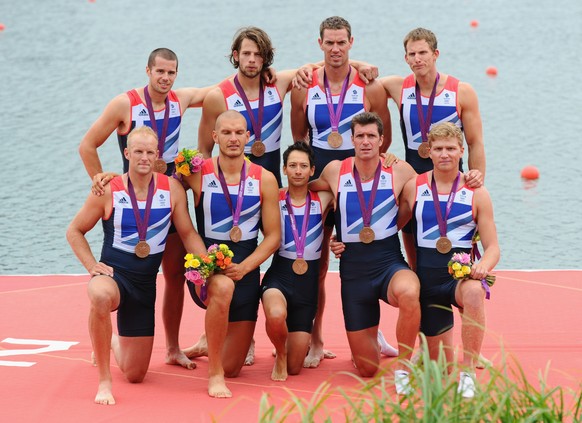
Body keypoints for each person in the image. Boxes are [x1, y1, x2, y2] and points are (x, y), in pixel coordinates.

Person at [78, 48, 214, 369]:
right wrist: (99, 180)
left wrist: (277, 73)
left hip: (169, 199)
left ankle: (173, 348)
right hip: (138, 199)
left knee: (175, 275)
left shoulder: (180, 99)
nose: (165, 78)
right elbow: (87, 145)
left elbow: (223, 88)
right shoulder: (125, 104)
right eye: (160, 72)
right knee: (130, 272)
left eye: (171, 73)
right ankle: (107, 335)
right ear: (148, 71)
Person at [66, 126, 208, 405]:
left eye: (149, 152)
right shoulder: (108, 189)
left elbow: (188, 234)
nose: (144, 157)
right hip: (114, 276)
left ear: (157, 156)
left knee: (135, 374)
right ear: (127, 153)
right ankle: (105, 381)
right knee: (100, 295)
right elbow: (74, 231)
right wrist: (92, 265)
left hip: (144, 287)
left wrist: (208, 266)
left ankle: (110, 340)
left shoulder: (172, 189)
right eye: (138, 152)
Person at [290, 16, 392, 368]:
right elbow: (299, 137)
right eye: (329, 43)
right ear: (319, 44)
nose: (335, 49)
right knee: (316, 266)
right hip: (321, 185)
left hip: (360, 187)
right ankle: (316, 339)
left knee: (369, 254)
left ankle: (372, 332)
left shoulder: (370, 87)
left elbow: (384, 137)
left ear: (352, 43)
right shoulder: (304, 85)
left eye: (341, 42)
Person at [311, 112, 420, 395]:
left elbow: (427, 196)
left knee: (409, 291)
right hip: (354, 273)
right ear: (352, 139)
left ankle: (404, 368)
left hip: (387, 262)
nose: (366, 141)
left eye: (372, 136)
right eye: (360, 136)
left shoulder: (400, 170)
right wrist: (335, 237)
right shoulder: (335, 170)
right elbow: (308, 194)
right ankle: (377, 339)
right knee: (367, 368)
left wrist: (390, 226)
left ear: (382, 140)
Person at [198, 26, 379, 188]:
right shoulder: (218, 97)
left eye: (258, 54)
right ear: (236, 55)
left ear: (266, 57)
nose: (252, 60)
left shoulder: (280, 84)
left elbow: (331, 62)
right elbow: (204, 150)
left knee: (276, 227)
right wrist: (212, 185)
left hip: (272, 183)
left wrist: (359, 64)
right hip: (231, 182)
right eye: (246, 54)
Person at [181, 110, 281, 397]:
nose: (234, 138)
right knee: (222, 287)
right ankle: (214, 376)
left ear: (248, 136)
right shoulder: (198, 172)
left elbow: (273, 236)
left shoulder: (265, 179)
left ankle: (207, 344)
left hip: (245, 270)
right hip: (208, 269)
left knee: (234, 366)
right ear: (215, 137)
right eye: (226, 133)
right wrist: (111, 176)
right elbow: (153, 181)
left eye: (239, 133)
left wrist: (246, 267)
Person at [397, 122, 500, 398]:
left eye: (451, 149)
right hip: (427, 283)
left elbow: (493, 248)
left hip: (459, 278)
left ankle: (468, 374)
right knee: (439, 368)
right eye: (439, 148)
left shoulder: (477, 192)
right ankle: (427, 352)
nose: (445, 154)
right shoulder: (413, 187)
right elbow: (391, 226)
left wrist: (483, 266)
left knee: (476, 293)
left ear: (461, 151)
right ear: (428, 152)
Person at [379, 27, 485, 270]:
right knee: (417, 262)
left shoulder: (461, 91)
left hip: (452, 179)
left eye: (423, 53)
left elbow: (475, 142)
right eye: (412, 54)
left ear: (435, 54)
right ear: (405, 58)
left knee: (459, 262)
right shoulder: (397, 87)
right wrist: (361, 64)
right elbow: (355, 77)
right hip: (412, 182)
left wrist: (477, 177)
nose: (417, 59)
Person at [261, 143, 334, 381]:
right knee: (274, 313)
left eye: (304, 166)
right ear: (284, 169)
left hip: (307, 288)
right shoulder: (273, 198)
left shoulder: (323, 198)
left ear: (313, 170)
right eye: (292, 165)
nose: (298, 171)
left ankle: (289, 354)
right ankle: (280, 354)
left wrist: (389, 158)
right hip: (279, 276)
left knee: (296, 367)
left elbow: (351, 178)